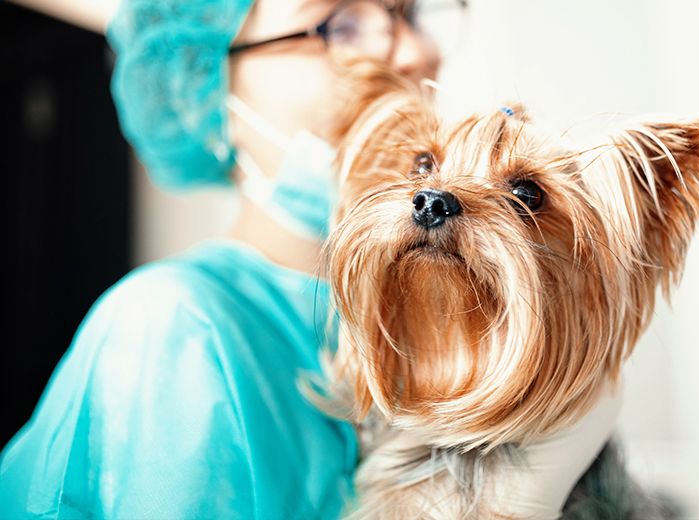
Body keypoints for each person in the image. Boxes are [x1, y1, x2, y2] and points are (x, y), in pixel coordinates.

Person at [0, 1, 621, 518]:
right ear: (206, 88)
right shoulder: (175, 328)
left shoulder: (452, 322)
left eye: (407, 13)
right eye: (338, 23)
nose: (413, 51)